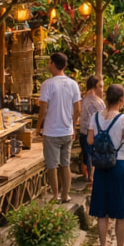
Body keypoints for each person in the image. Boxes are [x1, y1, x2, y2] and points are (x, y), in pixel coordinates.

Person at [88, 83, 124, 246]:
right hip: (120, 165)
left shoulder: (95, 117)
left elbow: (90, 139)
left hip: (101, 167)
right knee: (121, 212)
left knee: (103, 212)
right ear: (122, 99)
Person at [35, 52, 81, 203]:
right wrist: (73, 126)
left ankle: (55, 196)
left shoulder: (48, 84)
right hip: (67, 131)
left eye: (49, 62)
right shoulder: (73, 84)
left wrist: (37, 127)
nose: (48, 65)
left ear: (53, 64)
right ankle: (66, 194)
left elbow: (43, 109)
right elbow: (78, 109)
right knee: (65, 164)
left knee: (52, 165)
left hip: (51, 131)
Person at [78, 75, 105, 181]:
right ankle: (92, 176)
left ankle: (89, 176)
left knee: (87, 154)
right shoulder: (99, 102)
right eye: (100, 86)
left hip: (84, 131)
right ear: (95, 86)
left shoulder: (82, 101)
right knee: (94, 153)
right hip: (96, 131)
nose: (101, 89)